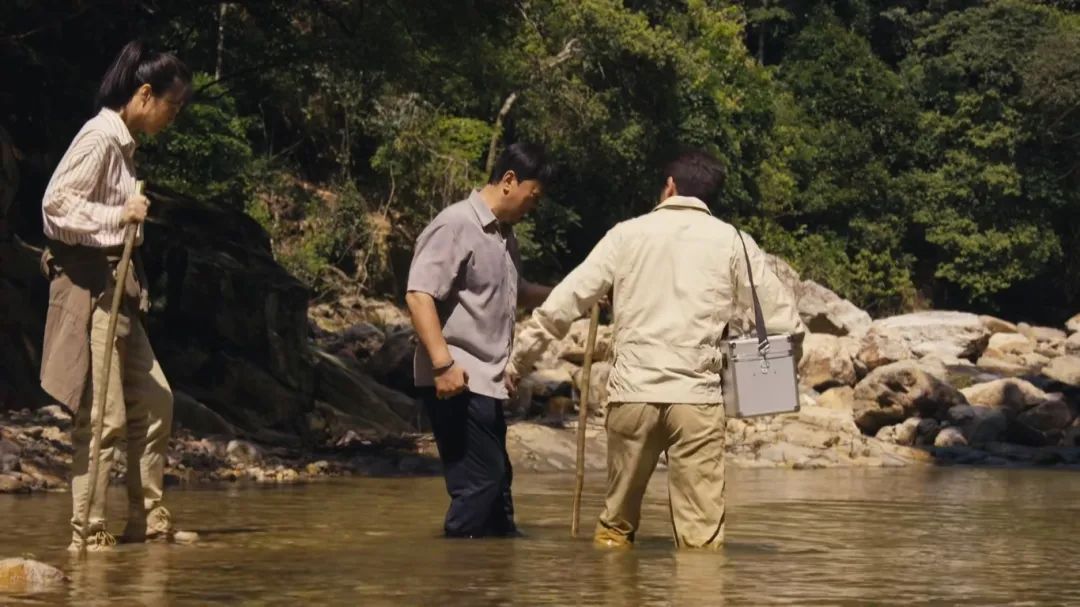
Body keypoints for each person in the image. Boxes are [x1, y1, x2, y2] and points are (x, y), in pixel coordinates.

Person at [509, 148, 805, 549]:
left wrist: (517, 362)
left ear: (669, 186)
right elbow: (788, 325)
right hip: (697, 402)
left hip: (633, 395)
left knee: (615, 527)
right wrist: (755, 376)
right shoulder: (734, 242)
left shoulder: (625, 234)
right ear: (708, 195)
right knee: (701, 539)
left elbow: (563, 304)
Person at [39, 39, 194, 551]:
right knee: (103, 418)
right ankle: (90, 531)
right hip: (93, 289)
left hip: (119, 292)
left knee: (154, 402)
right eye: (173, 105)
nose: (174, 116)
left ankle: (147, 520)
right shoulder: (100, 138)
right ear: (145, 94)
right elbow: (56, 206)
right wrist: (117, 216)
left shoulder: (124, 143)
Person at [405, 143, 554, 538]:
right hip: (458, 379)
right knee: (480, 484)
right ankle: (457, 579)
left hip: (488, 381)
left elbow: (516, 292)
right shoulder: (455, 224)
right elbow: (419, 294)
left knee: (498, 488)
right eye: (532, 196)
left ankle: (492, 581)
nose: (532, 207)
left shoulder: (505, 238)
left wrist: (573, 293)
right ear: (509, 181)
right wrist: (443, 365)